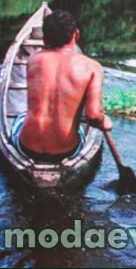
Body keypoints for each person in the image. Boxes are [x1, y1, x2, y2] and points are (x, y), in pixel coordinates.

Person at [13, 9, 113, 163]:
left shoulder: (33, 59)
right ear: (76, 34)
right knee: (79, 127)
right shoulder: (92, 67)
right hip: (65, 151)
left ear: (45, 39)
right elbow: (93, 116)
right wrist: (104, 121)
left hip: (27, 147)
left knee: (20, 117)